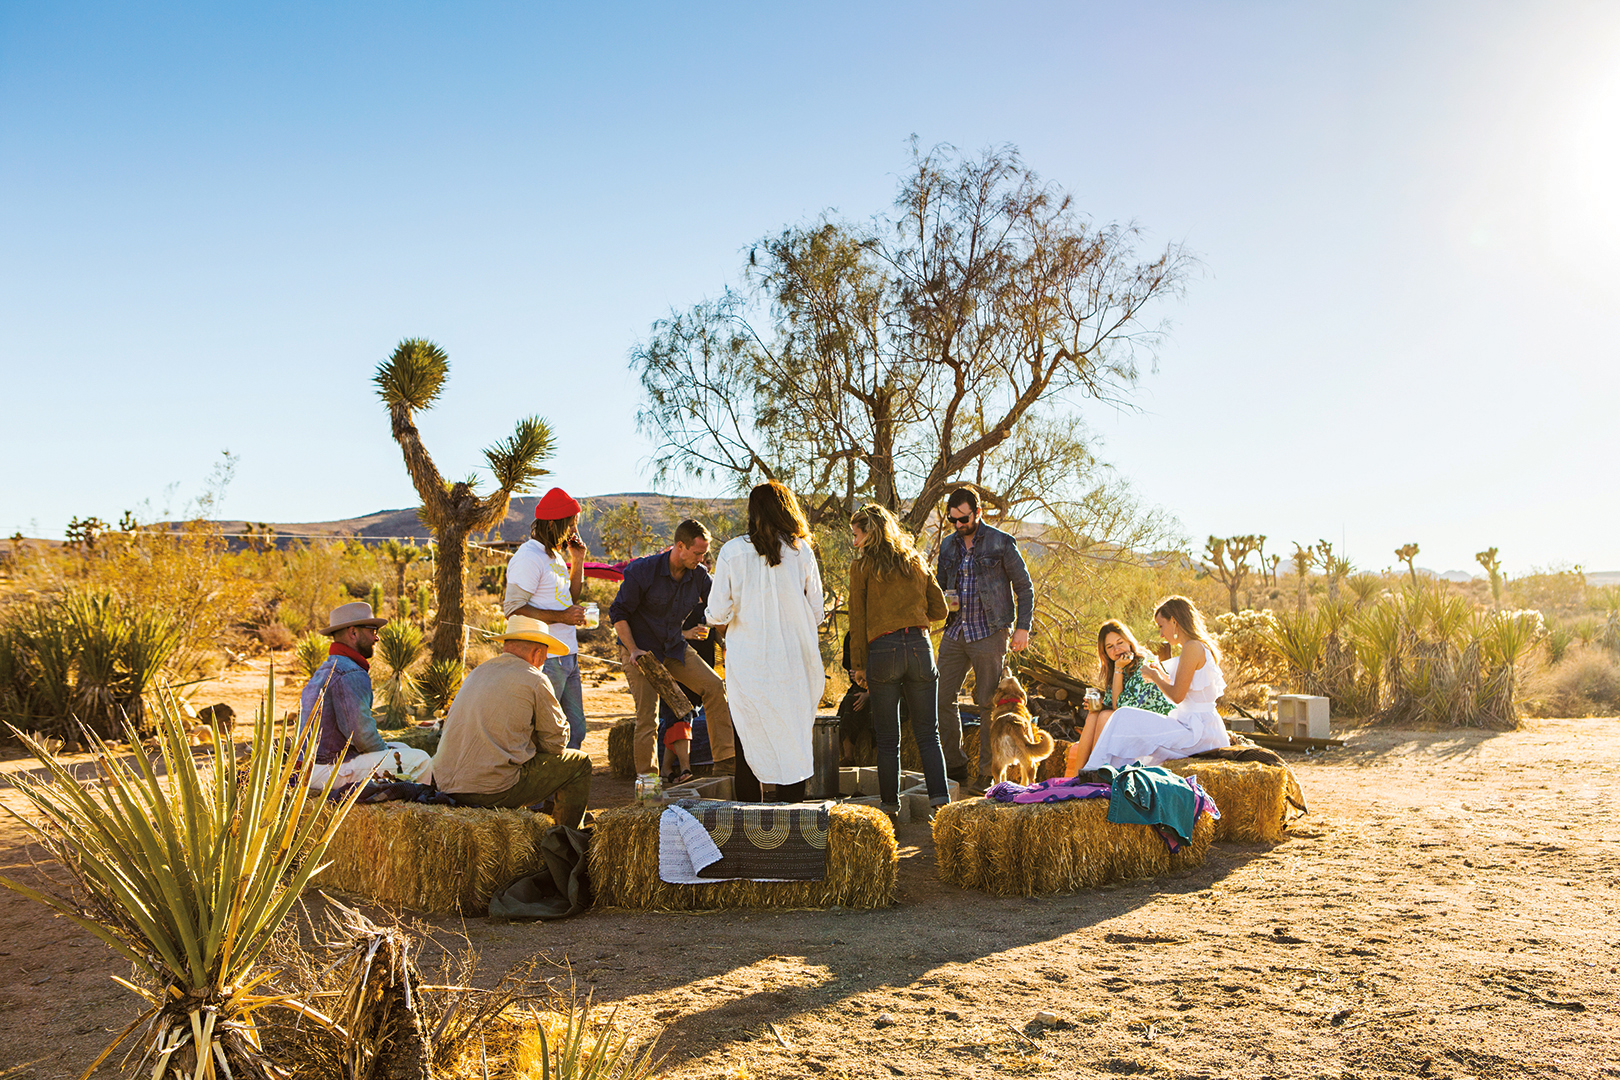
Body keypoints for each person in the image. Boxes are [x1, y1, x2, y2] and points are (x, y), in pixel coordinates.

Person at [705, 481, 826, 803]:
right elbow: (816, 611)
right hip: (794, 660)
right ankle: (792, 825)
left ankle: (750, 826)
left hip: (750, 661)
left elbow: (716, 612)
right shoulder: (801, 552)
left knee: (749, 737)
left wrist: (737, 615)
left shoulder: (732, 551)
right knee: (793, 740)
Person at [431, 615, 593, 829]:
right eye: (544, 657)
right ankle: (567, 841)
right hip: (492, 790)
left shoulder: (477, 672)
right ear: (538, 654)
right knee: (579, 764)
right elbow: (556, 744)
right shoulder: (534, 678)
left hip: (444, 785)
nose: (543, 663)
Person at [848, 503, 951, 817]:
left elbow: (857, 619)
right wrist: (914, 615)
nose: (854, 542)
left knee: (888, 737)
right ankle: (941, 804)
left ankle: (890, 806)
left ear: (869, 533)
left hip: (883, 651)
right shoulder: (915, 560)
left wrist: (858, 664)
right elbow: (941, 610)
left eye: (856, 535)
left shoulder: (862, 567)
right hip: (920, 648)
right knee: (928, 733)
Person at [611, 520, 736, 776]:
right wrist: (633, 649)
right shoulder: (643, 570)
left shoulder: (699, 575)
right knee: (648, 716)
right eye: (697, 553)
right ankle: (648, 782)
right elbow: (618, 613)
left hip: (673, 647)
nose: (701, 559)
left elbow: (719, 613)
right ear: (680, 546)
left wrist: (732, 645)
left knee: (713, 686)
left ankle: (725, 763)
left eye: (704, 553)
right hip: (641, 652)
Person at [934, 486, 1035, 790]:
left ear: (978, 512)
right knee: (940, 698)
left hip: (989, 631)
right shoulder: (948, 546)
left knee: (988, 703)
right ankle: (955, 763)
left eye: (963, 518)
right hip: (955, 630)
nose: (958, 525)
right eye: (953, 520)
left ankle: (987, 773)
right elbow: (939, 586)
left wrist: (1022, 627)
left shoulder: (1001, 543)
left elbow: (1024, 587)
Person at [1082, 596, 1232, 770]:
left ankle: (1097, 771)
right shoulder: (1194, 647)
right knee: (1123, 717)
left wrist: (1155, 676)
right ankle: (1102, 770)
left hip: (1198, 731)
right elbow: (1189, 690)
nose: (1161, 634)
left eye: (1162, 626)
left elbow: (1177, 696)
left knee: (1123, 716)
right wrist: (1162, 676)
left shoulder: (1192, 647)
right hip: (1191, 723)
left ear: (1174, 621)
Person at [298, 602, 433, 789]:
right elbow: (361, 735)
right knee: (421, 760)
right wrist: (386, 755)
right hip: (329, 768)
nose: (376, 638)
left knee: (404, 748)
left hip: (312, 765)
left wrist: (388, 753)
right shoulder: (350, 672)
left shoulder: (330, 666)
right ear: (353, 633)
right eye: (372, 631)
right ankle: (420, 803)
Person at [504, 487, 590, 749]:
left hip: (568, 655)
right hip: (544, 658)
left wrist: (578, 560)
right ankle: (546, 789)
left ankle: (567, 786)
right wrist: (562, 616)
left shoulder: (555, 557)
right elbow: (513, 608)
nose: (574, 532)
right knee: (544, 732)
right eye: (570, 525)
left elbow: (570, 599)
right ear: (553, 524)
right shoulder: (529, 557)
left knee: (575, 730)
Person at [1067, 618, 1174, 773]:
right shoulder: (1119, 666)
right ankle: (1078, 775)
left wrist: (1118, 669)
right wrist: (1098, 704)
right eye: (1110, 647)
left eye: (1120, 643)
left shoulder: (1144, 663)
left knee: (1104, 716)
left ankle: (1095, 771)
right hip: (1133, 717)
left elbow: (1121, 708)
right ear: (1104, 652)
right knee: (1094, 715)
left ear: (1129, 642)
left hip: (1155, 722)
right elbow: (1113, 703)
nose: (1116, 649)